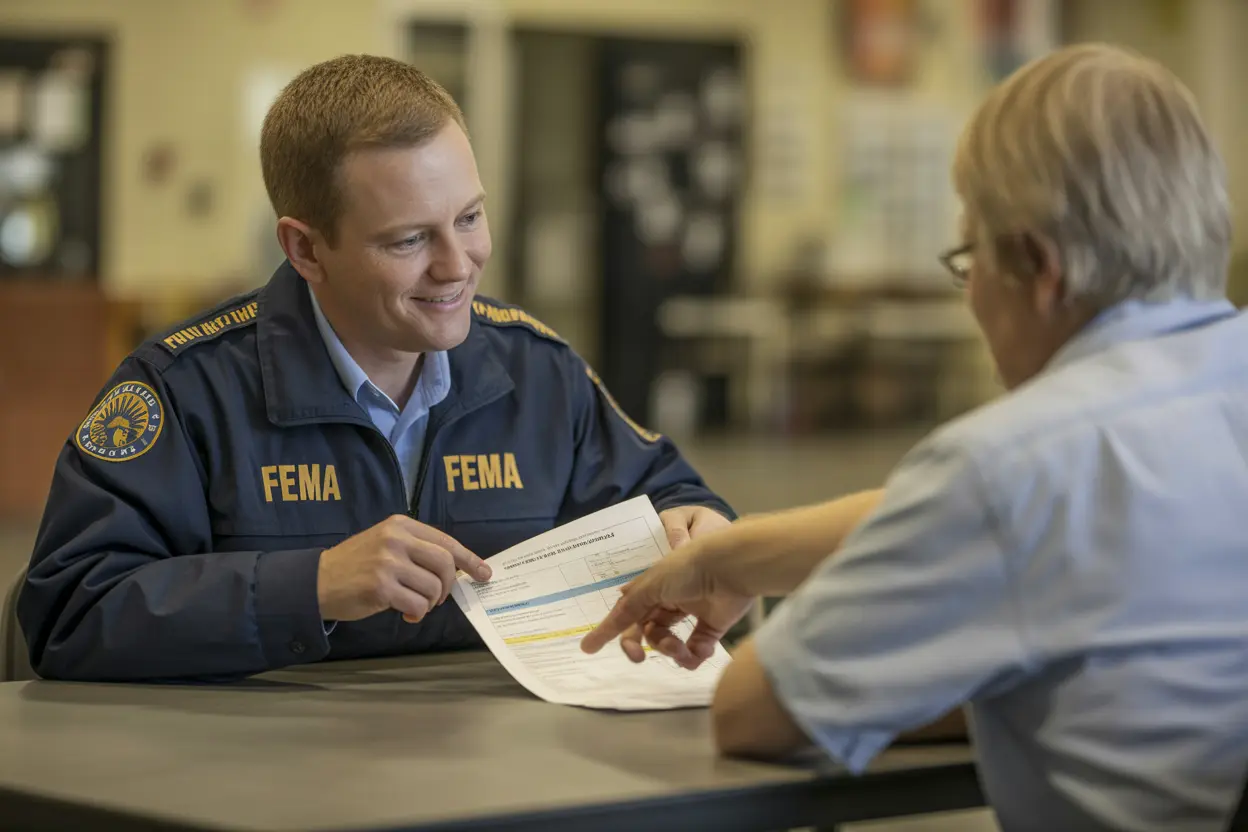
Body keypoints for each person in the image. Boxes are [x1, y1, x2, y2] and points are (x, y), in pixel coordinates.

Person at [583, 43, 1248, 832]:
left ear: (1036, 266)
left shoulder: (1015, 462)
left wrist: (953, 667)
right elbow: (980, 518)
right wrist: (736, 554)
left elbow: (758, 713)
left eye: (968, 259)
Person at [18, 55, 734, 683]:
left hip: (502, 775)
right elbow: (69, 613)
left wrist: (699, 526)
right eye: (409, 239)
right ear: (305, 250)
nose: (458, 266)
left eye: (470, 217)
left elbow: (669, 496)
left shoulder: (540, 373)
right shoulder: (185, 392)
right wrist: (313, 585)